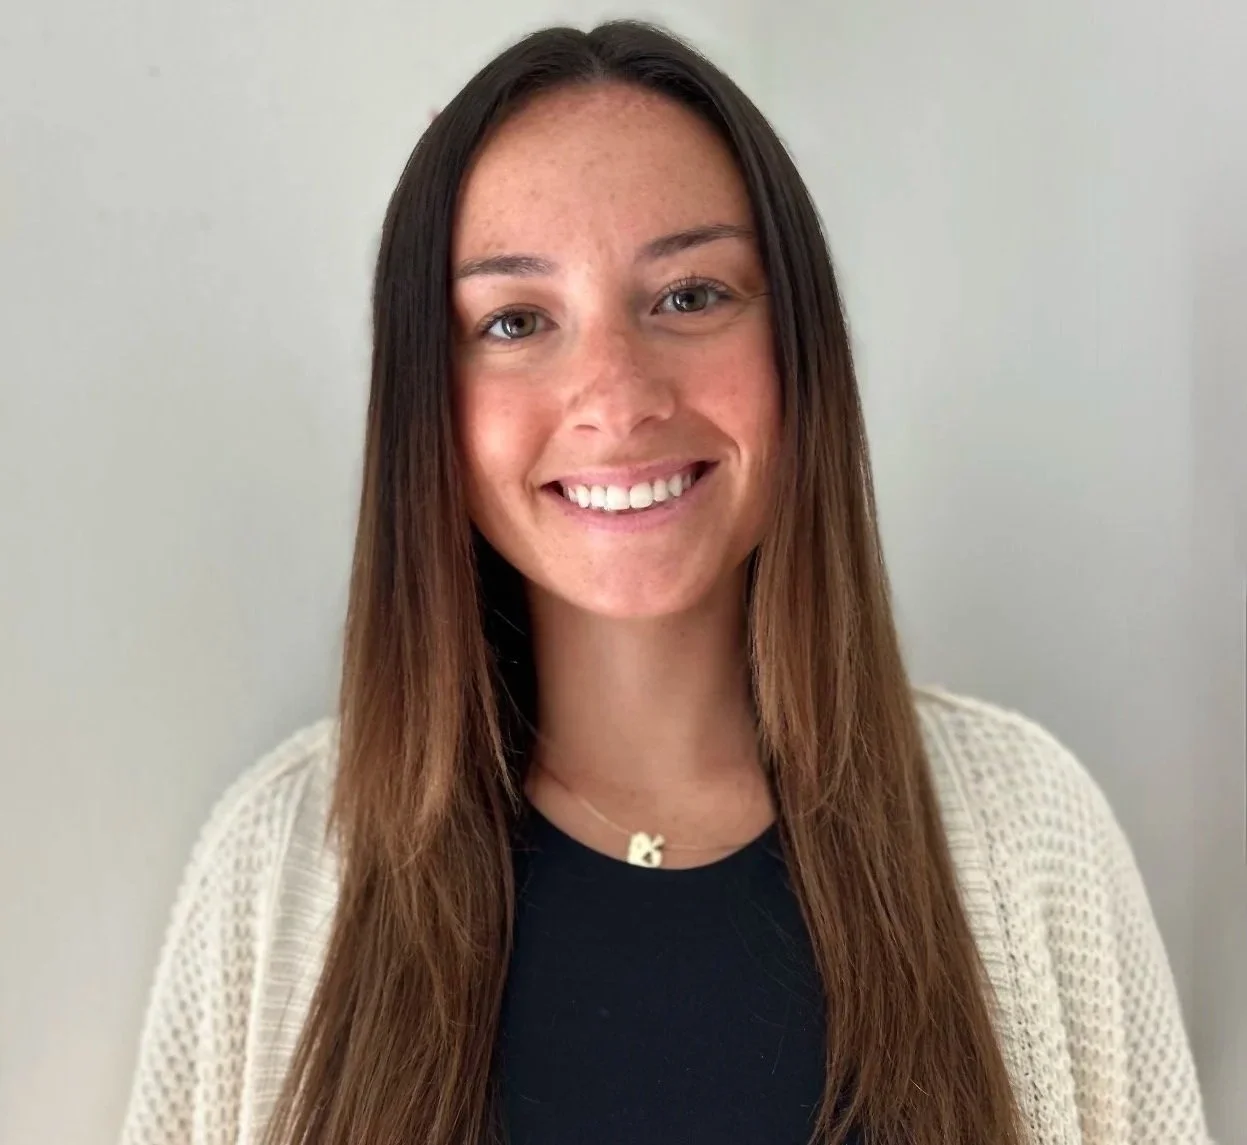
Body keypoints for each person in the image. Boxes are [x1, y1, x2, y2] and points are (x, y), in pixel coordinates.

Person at [117, 19, 1212, 1145]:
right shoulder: (277, 867)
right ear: (425, 405)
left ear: (797, 346)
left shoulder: (1029, 833)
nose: (617, 394)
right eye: (514, 320)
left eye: (688, 296)